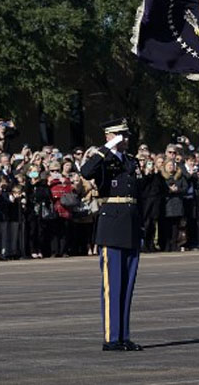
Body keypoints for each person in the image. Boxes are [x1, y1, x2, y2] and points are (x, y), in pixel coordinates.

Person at [80, 118, 144, 351]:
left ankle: (124, 335)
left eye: (126, 136)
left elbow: (139, 196)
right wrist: (105, 148)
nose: (125, 139)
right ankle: (111, 338)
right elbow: (86, 172)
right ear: (110, 135)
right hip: (111, 227)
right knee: (112, 285)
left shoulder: (130, 161)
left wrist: (142, 227)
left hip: (130, 226)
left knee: (127, 286)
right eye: (120, 135)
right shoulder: (102, 159)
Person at [159, 159, 186, 252]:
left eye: (172, 165)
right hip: (166, 205)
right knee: (166, 227)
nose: (171, 167)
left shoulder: (179, 177)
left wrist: (177, 189)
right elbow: (159, 189)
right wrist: (169, 190)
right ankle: (166, 245)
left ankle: (174, 244)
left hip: (177, 204)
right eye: (169, 165)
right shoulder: (162, 177)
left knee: (175, 227)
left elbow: (185, 188)